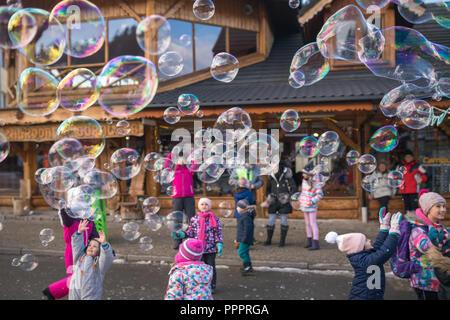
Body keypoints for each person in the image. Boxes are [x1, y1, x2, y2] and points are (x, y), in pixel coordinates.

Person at [325, 209, 402, 300]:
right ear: (360, 248)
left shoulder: (365, 255)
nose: (369, 241)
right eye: (366, 241)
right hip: (365, 297)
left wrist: (384, 229)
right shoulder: (364, 261)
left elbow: (378, 247)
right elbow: (384, 252)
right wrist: (393, 233)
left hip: (373, 295)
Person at [42, 207, 99, 300]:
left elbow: (95, 237)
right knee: (77, 279)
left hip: (85, 254)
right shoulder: (70, 219)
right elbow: (64, 215)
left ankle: (52, 291)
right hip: (71, 254)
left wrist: (103, 247)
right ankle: (52, 291)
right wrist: (63, 206)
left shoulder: (89, 219)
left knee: (80, 279)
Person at [171, 198, 223, 293]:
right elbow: (191, 232)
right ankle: (201, 285)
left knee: (210, 267)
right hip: (198, 250)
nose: (204, 206)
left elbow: (218, 233)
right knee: (199, 269)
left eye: (206, 204)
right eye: (202, 204)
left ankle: (212, 285)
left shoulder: (215, 219)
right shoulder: (194, 219)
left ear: (209, 206)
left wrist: (219, 243)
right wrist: (183, 234)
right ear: (199, 206)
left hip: (211, 249)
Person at [406, 189, 449, 300]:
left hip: (438, 281)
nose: (443, 209)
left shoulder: (439, 227)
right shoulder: (418, 230)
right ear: (427, 210)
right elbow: (429, 249)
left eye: (444, 206)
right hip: (425, 282)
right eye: (438, 206)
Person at [69, 220, 114, 300]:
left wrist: (104, 244)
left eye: (95, 246)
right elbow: (76, 246)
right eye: (89, 245)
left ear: (99, 251)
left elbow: (107, 258)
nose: (91, 247)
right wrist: (79, 232)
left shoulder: (99, 264)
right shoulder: (80, 257)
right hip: (74, 295)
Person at [261, 161, 297, 247]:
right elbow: (268, 188)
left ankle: (282, 241)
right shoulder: (271, 176)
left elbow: (293, 186)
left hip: (284, 201)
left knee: (284, 220)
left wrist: (288, 196)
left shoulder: (286, 174)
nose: (274, 168)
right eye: (273, 167)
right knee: (271, 220)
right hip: (273, 201)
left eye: (275, 167)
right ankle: (268, 240)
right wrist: (268, 198)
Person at [166, 152, 197, 250]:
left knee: (191, 219)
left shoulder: (189, 170)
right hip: (177, 197)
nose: (181, 160)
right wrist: (172, 154)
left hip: (189, 197)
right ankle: (177, 241)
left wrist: (191, 154)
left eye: (183, 158)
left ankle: (190, 240)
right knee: (177, 220)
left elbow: (196, 164)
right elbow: (166, 164)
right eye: (179, 159)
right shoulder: (174, 170)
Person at [299, 161, 324, 251]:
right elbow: (303, 192)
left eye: (304, 173)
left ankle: (315, 242)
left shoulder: (316, 182)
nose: (302, 175)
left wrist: (311, 201)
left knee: (313, 223)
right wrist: (301, 200)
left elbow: (320, 195)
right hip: (305, 205)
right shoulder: (304, 181)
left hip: (311, 206)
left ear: (309, 174)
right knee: (307, 223)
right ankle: (309, 240)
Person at [397, 151, 427, 216]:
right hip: (404, 190)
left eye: (409, 157)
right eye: (406, 157)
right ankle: (408, 221)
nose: (408, 158)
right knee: (406, 206)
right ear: (404, 158)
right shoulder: (400, 166)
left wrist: (421, 179)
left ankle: (415, 220)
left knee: (414, 206)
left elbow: (425, 174)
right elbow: (395, 175)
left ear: (412, 157)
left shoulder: (417, 166)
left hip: (414, 189)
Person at [236, 199, 257, 275]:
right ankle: (247, 266)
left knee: (241, 252)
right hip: (243, 238)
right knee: (245, 252)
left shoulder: (245, 217)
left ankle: (248, 267)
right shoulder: (244, 215)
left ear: (242, 208)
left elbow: (247, 229)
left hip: (245, 239)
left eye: (238, 207)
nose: (236, 208)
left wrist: (243, 238)